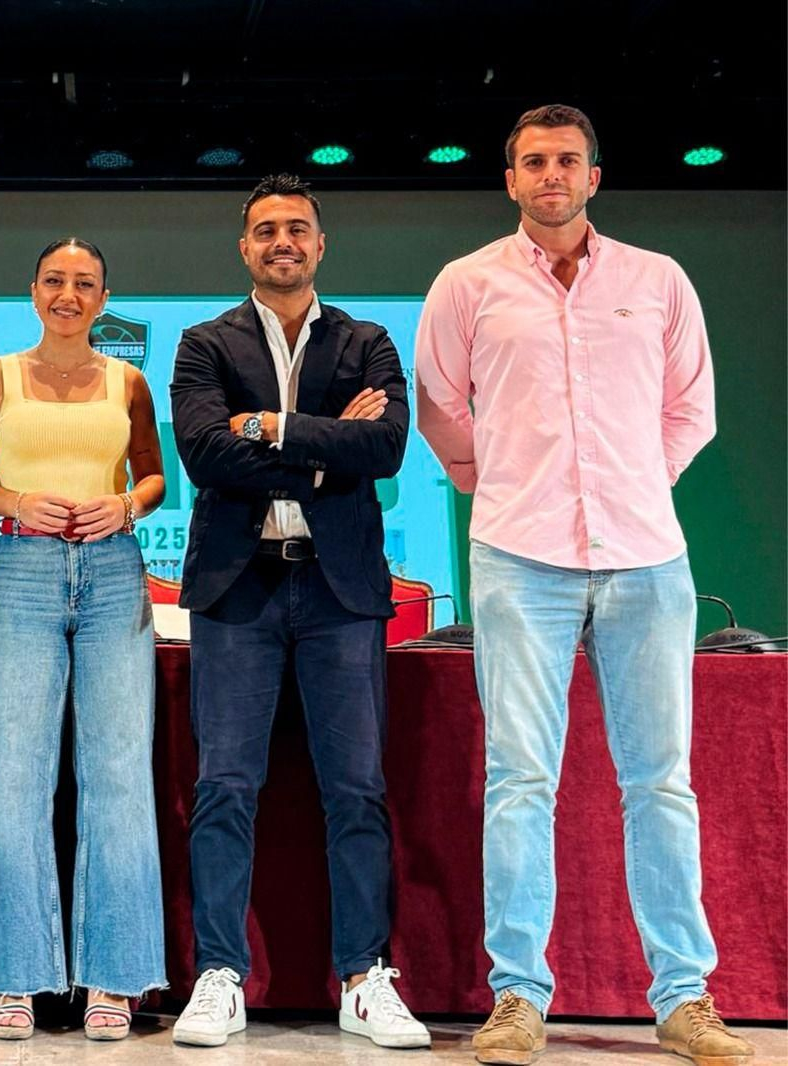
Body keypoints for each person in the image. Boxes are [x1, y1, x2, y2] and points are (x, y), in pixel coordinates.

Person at [416, 105, 754, 1066]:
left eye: (568, 160)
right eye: (534, 161)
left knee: (661, 781)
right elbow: (438, 403)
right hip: (519, 556)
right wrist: (496, 479)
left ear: (594, 176)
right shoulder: (467, 283)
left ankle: (684, 998)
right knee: (521, 778)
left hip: (647, 557)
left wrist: (637, 484)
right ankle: (518, 997)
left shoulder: (658, 280)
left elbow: (692, 407)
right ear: (510, 179)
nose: (551, 175)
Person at [168, 175, 429, 1050]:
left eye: (298, 229)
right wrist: (325, 447)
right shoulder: (205, 344)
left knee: (356, 789)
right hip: (237, 589)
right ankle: (219, 974)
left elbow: (384, 446)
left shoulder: (368, 341)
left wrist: (270, 429)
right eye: (266, 229)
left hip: (338, 591)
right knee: (224, 787)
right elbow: (206, 455)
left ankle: (363, 978)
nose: (283, 241)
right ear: (245, 247)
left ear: (320, 244)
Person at [0, 237, 167, 1041]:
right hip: (25, 570)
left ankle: (114, 977)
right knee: (18, 773)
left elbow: (153, 475)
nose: (67, 295)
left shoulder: (128, 381)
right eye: (54, 281)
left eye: (84, 284)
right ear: (33, 290)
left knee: (118, 773)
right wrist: (13, 501)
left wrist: (128, 506)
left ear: (104, 299)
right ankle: (16, 976)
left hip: (114, 572)